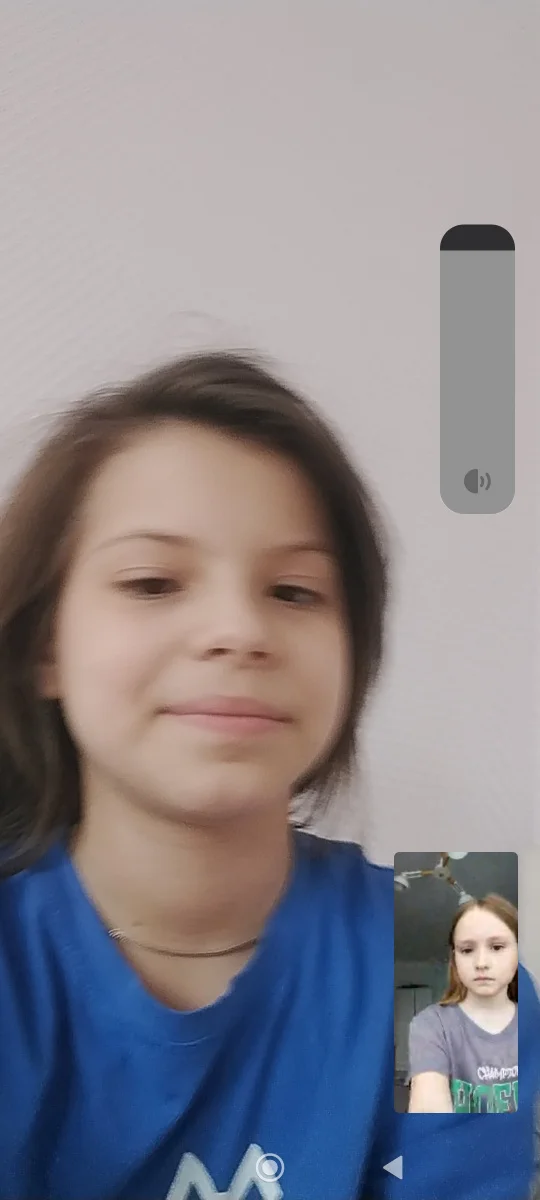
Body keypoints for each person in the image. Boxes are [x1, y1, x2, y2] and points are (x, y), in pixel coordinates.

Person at [0, 349, 538, 1200]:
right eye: (153, 582)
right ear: (44, 647)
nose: (238, 629)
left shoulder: (449, 941)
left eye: (293, 591)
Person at [407, 894, 518, 1114]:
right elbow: (429, 1117)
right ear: (455, 959)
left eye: (497, 947)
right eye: (467, 950)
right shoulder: (430, 1025)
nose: (481, 963)